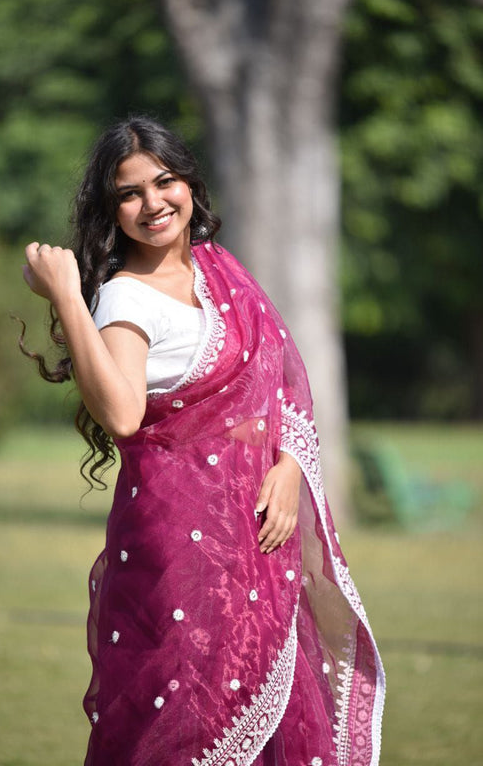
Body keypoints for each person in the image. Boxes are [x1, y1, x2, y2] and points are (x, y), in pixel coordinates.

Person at [21, 116, 385, 766]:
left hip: (257, 532)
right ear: (111, 209)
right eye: (129, 193)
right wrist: (69, 297)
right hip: (178, 543)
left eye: (164, 181)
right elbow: (122, 414)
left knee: (272, 706)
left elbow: (280, 381)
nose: (153, 203)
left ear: (189, 183)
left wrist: (290, 468)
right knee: (185, 711)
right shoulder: (125, 300)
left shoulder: (219, 270)